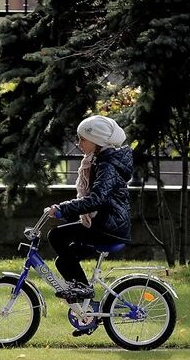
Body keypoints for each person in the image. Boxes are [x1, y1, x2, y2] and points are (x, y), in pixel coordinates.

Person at [45, 115, 133, 302]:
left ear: (97, 141)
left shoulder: (107, 165)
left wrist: (63, 208)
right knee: (63, 260)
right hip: (105, 223)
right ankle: (85, 307)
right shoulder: (99, 160)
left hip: (108, 227)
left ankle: (83, 289)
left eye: (82, 139)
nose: (79, 143)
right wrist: (66, 211)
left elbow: (96, 200)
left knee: (56, 236)